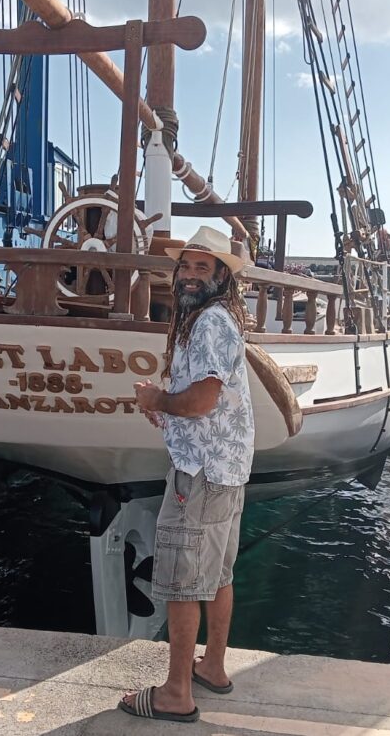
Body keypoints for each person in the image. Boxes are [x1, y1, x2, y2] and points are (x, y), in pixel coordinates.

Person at [121, 225, 255, 724]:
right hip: (226, 466)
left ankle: (176, 695)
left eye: (204, 266)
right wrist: (168, 407)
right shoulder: (213, 319)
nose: (192, 274)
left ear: (222, 276)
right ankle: (213, 667)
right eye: (187, 266)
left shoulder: (209, 323)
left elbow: (202, 400)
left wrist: (158, 399)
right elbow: (202, 398)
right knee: (218, 574)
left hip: (200, 473)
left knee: (182, 581)